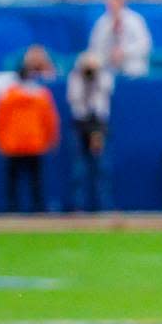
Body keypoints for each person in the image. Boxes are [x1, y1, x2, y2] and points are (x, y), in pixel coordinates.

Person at [0, 57, 60, 212]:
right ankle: (38, 209)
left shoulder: (8, 95)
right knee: (34, 180)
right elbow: (50, 120)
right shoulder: (41, 95)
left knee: (15, 181)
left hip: (13, 144)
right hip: (34, 142)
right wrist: (51, 139)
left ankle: (13, 209)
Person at [66, 52, 115, 212]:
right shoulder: (75, 78)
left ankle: (104, 206)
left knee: (101, 168)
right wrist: (84, 77)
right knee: (78, 169)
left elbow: (105, 91)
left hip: (98, 125)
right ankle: (78, 207)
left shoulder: (104, 76)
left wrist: (95, 76)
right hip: (80, 125)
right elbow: (74, 98)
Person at [87, 0, 152, 77]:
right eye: (110, 3)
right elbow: (94, 47)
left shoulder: (135, 20)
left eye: (115, 3)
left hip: (133, 68)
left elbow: (145, 45)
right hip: (108, 69)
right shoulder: (102, 22)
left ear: (122, 3)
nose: (113, 6)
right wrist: (109, 52)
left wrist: (124, 52)